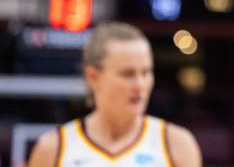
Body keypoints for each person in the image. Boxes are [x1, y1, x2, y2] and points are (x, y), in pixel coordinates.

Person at [28, 21, 202, 167]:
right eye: (128, 74)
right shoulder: (53, 149)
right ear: (93, 77)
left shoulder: (177, 145)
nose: (140, 85)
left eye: (146, 72)